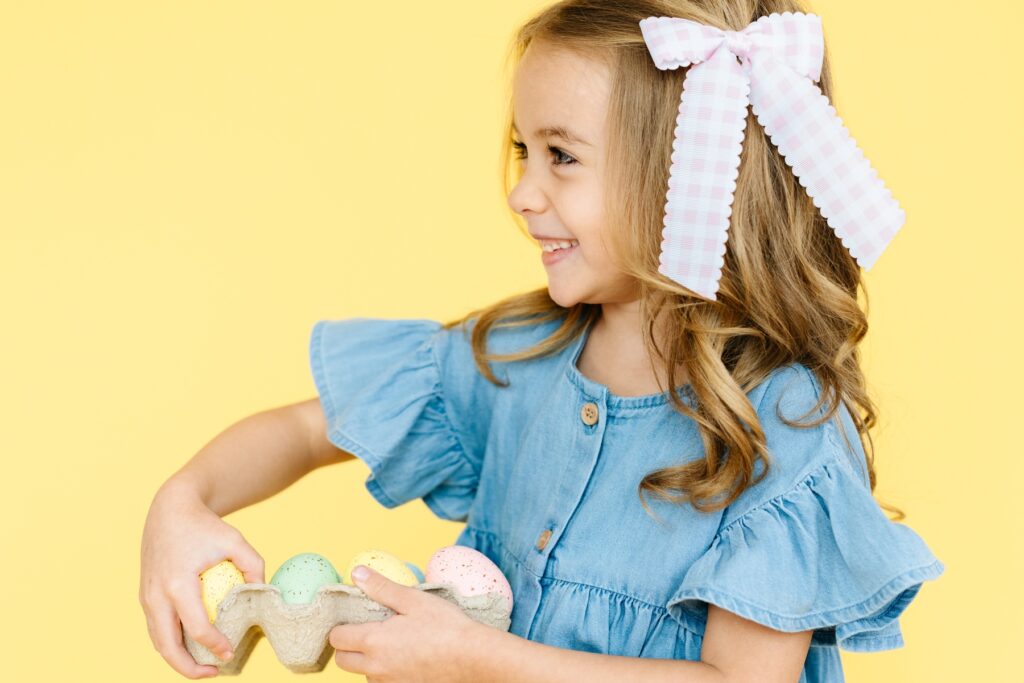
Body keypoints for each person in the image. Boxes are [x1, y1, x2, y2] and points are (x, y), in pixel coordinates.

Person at [139, 1, 945, 681]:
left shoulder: (780, 421)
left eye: (562, 156)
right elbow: (305, 430)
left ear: (689, 174)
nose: (523, 192)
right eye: (526, 150)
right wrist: (182, 499)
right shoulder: (517, 357)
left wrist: (478, 656)